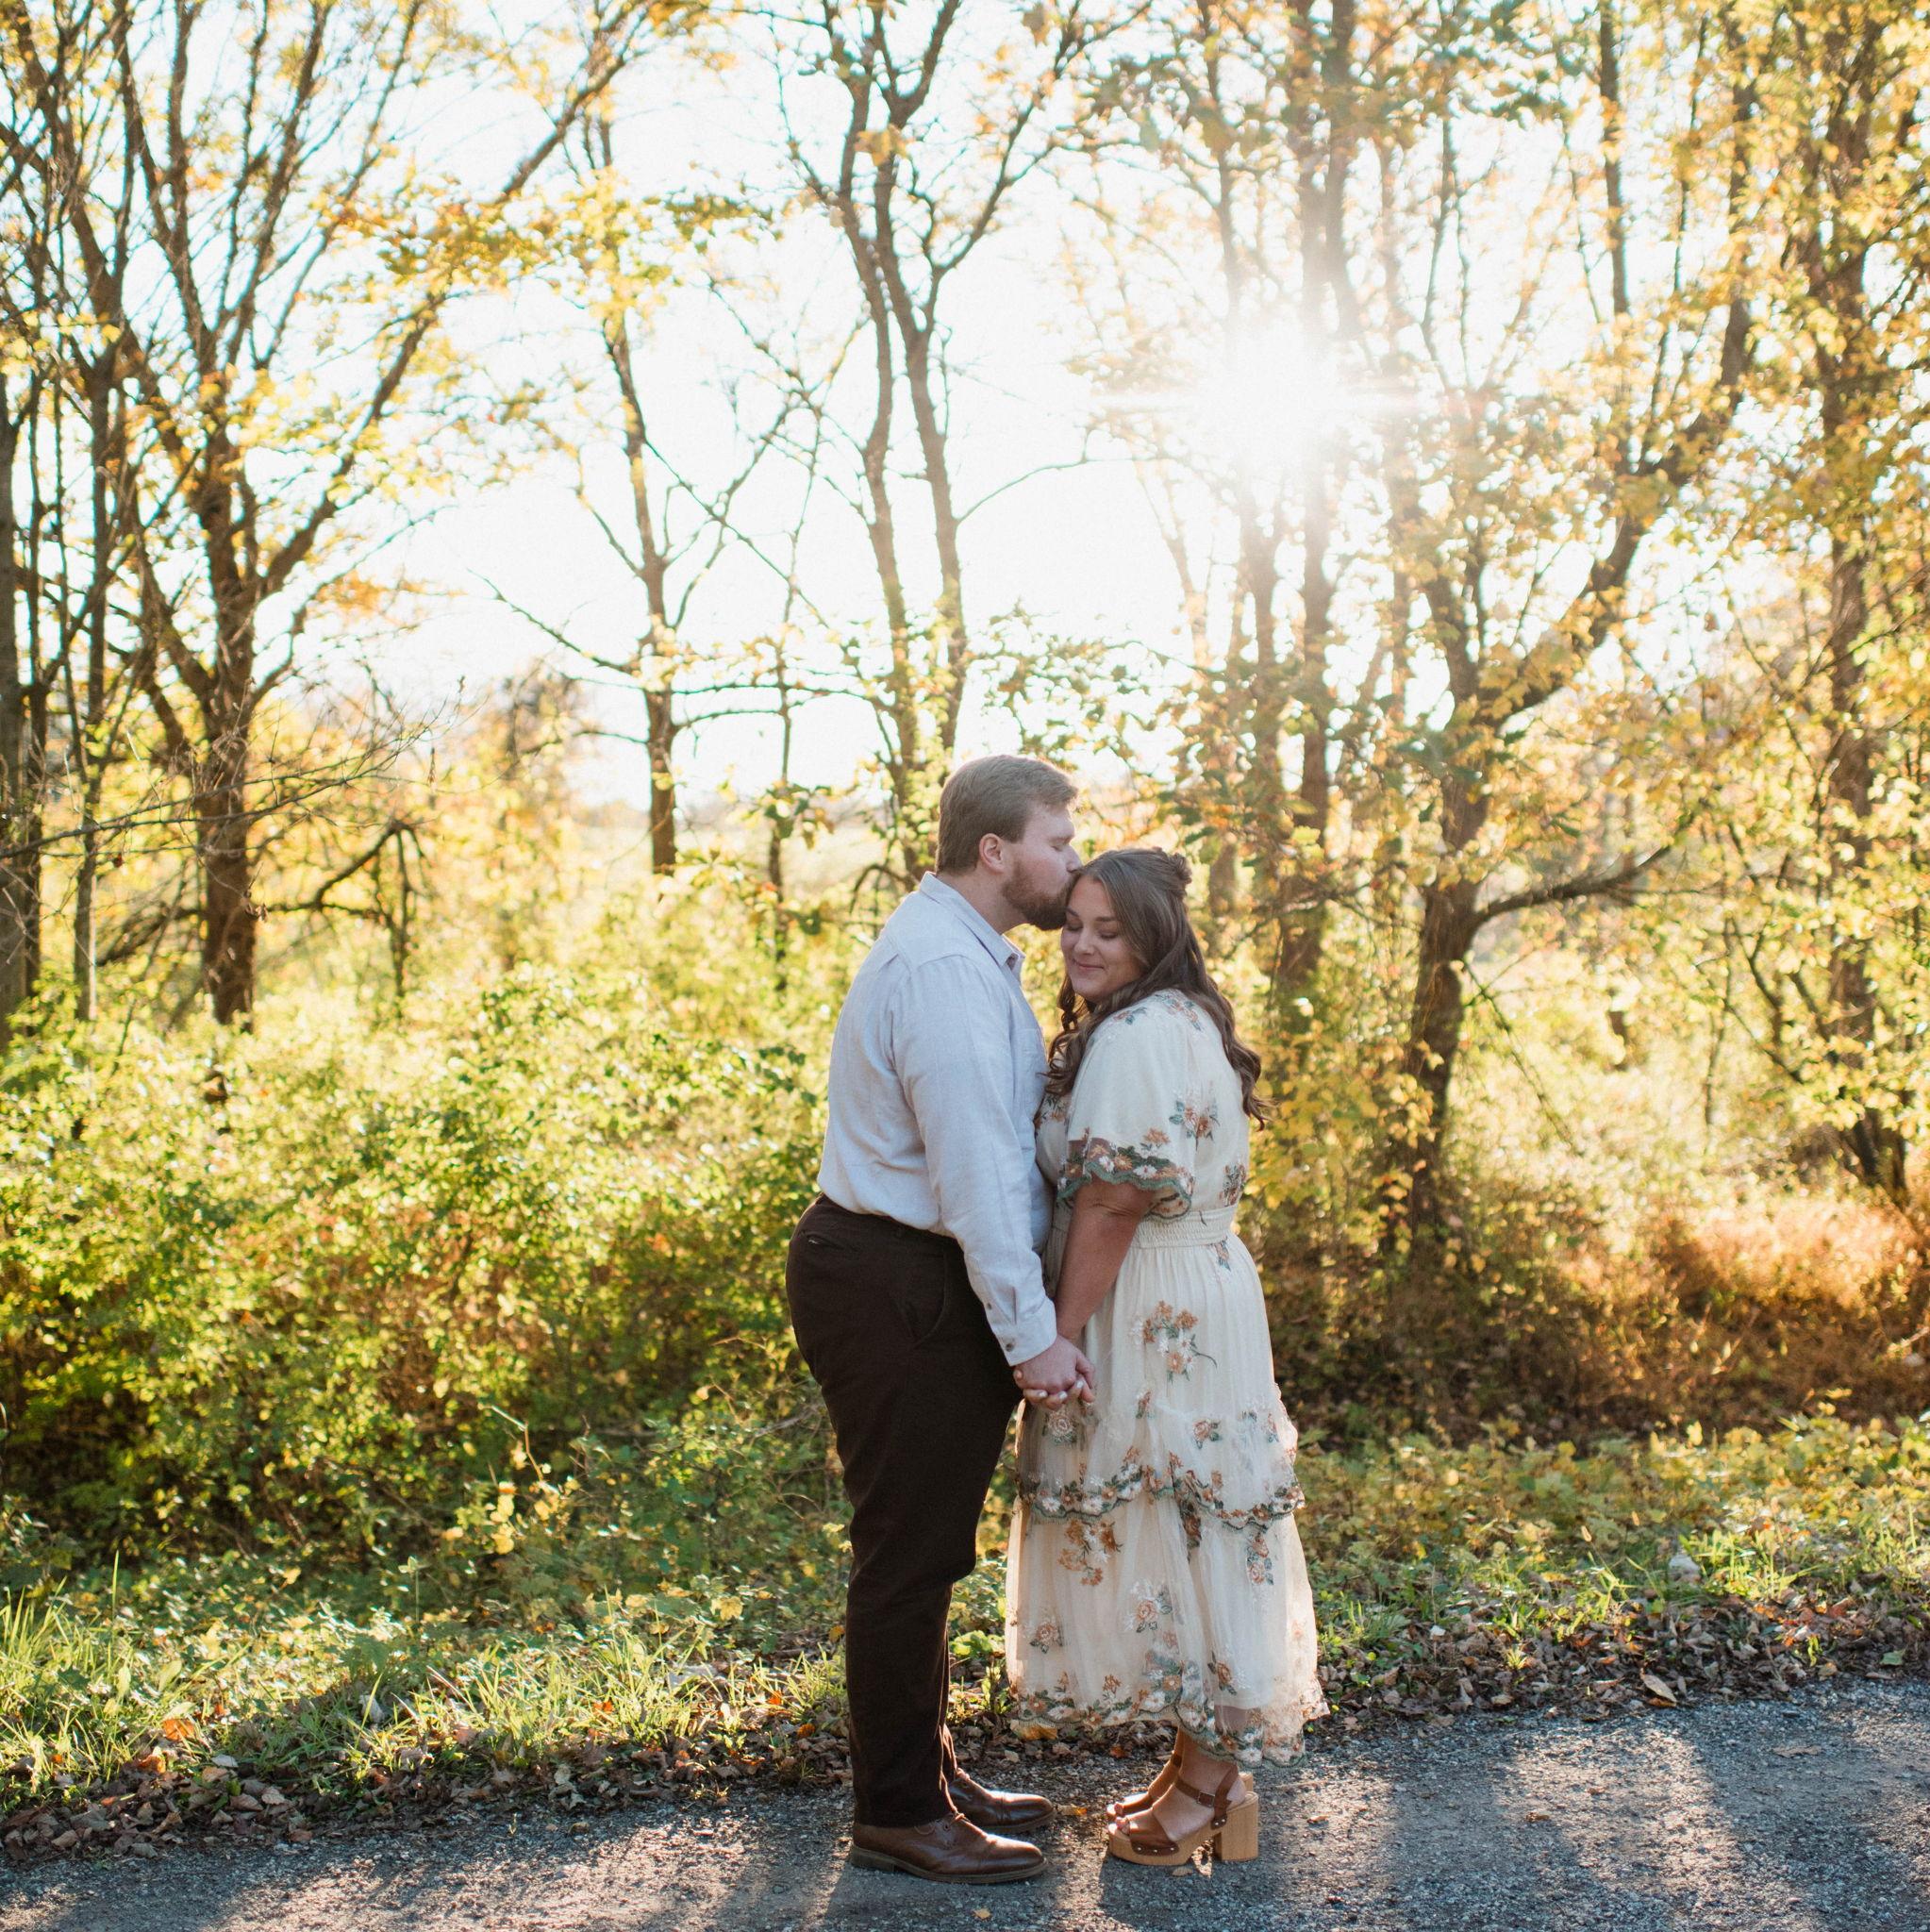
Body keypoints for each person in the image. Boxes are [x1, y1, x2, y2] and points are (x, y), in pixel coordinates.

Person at [785, 755, 1090, 1886]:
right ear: (997, 851)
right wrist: (1033, 1336)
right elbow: (976, 1178)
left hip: (910, 1269)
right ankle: (899, 1811)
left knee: (925, 1548)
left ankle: (928, 1767)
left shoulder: (965, 953)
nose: (1073, 856)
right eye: (1060, 838)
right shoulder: (944, 972)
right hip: (897, 1276)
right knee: (907, 1557)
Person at [1006, 847, 1325, 1868]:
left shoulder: (1140, 1034)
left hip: (1150, 1304)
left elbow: (1112, 1196)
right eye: (1074, 925)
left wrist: (1056, 1330)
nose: (1084, 945)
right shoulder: (1171, 1019)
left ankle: (1210, 1785)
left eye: (1109, 929)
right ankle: (1195, 1769)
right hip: (1193, 1291)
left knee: (1194, 1525)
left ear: (1154, 937)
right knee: (1189, 1525)